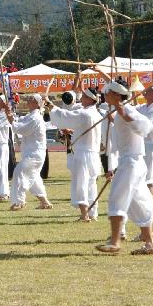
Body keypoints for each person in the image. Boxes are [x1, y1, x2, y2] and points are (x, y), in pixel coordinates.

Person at [95, 81, 153, 255]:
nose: (104, 95)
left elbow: (145, 126)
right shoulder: (120, 110)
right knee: (138, 203)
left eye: (108, 93)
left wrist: (125, 115)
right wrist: (118, 117)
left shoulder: (127, 110)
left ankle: (115, 241)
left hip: (132, 162)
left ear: (116, 95)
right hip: (130, 162)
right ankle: (149, 243)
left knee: (117, 198)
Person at [48, 88, 103, 221]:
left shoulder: (85, 113)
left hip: (83, 153)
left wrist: (51, 106)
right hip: (93, 154)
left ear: (90, 99)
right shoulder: (96, 114)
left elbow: (64, 117)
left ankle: (85, 214)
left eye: (84, 96)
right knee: (91, 184)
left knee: (81, 183)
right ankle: (92, 213)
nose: (81, 98)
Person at [6, 94, 52, 211]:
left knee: (19, 172)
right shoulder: (30, 116)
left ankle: (19, 202)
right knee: (34, 178)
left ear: (36, 103)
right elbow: (19, 121)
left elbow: (22, 129)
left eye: (31, 99)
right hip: (31, 152)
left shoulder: (35, 118)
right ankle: (44, 202)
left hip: (35, 154)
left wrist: (12, 121)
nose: (27, 100)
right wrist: (10, 114)